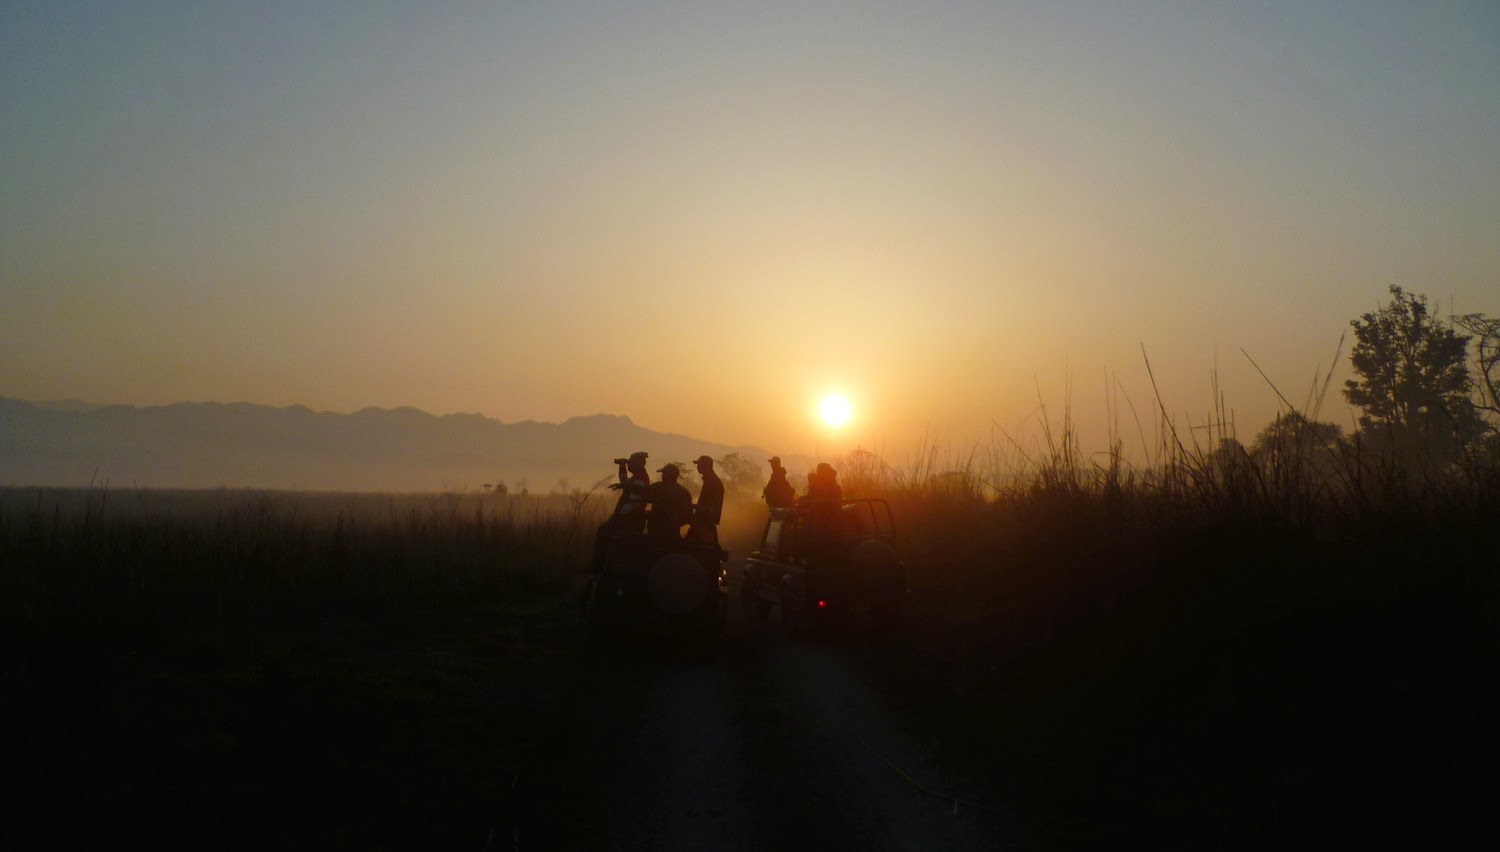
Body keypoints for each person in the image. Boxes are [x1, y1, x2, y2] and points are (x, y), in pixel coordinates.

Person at [590, 451, 650, 573]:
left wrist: (618, 516)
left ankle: (599, 565)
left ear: (638, 464)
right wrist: (622, 468)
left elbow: (633, 503)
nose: (629, 464)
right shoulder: (638, 477)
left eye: (631, 462)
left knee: (604, 532)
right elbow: (626, 484)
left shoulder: (641, 480)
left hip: (631, 520)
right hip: (631, 518)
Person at [646, 463, 694, 545]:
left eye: (663, 473)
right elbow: (688, 517)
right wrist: (675, 522)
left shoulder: (656, 488)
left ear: (667, 475)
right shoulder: (685, 492)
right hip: (673, 534)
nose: (662, 475)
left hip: (655, 533)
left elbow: (642, 493)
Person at [687, 455, 724, 547]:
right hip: (704, 522)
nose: (697, 467)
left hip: (705, 523)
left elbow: (710, 508)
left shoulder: (712, 482)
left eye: (699, 465)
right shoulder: (710, 480)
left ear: (706, 466)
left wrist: (694, 506)